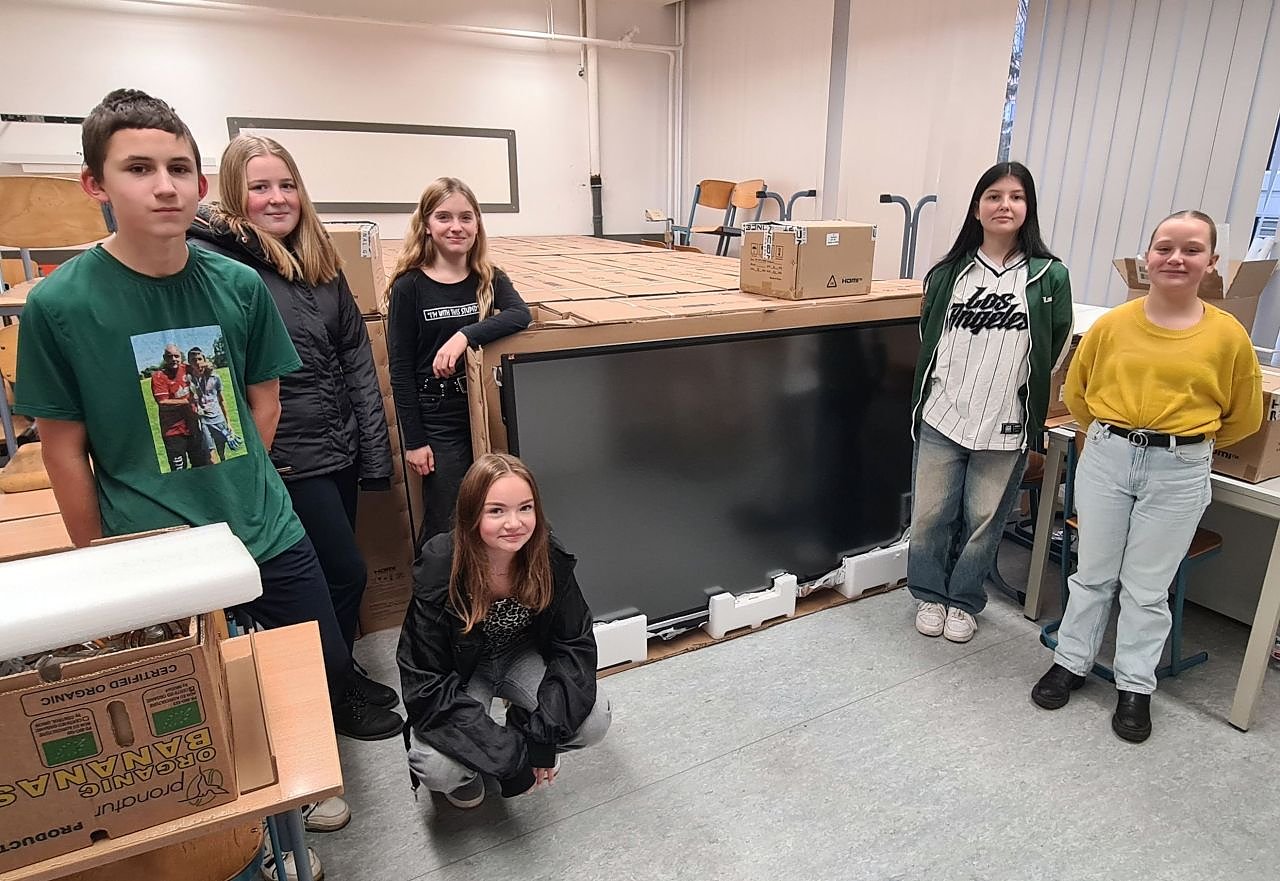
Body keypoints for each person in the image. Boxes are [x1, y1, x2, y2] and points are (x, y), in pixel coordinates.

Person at [12, 89, 394, 881]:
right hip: (153, 548)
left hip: (266, 527)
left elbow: (264, 400)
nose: (165, 186)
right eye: (139, 169)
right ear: (95, 183)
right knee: (195, 706)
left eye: (179, 168)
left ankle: (292, 794)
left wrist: (240, 482)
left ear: (199, 181)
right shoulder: (59, 304)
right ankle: (240, 834)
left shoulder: (238, 285)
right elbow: (63, 448)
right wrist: (101, 556)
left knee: (316, 663)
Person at [189, 134, 402, 724]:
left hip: (336, 447)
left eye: (287, 185)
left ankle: (338, 673)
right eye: (260, 187)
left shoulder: (318, 262)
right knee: (336, 574)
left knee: (337, 575)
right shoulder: (218, 267)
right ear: (235, 195)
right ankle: (331, 691)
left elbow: (356, 358)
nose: (277, 198)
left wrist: (372, 450)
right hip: (282, 453)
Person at [1032, 210, 1262, 743]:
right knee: (1093, 571)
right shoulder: (1114, 325)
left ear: (1212, 262)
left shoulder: (1228, 336)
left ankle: (1135, 684)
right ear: (1146, 258)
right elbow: (1077, 394)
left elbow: (1244, 417)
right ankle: (1071, 661)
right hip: (1108, 456)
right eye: (1165, 247)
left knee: (1147, 587)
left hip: (1179, 468)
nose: (1176, 258)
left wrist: (1183, 445)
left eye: (1191, 249)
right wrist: (1116, 438)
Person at [908, 161, 1074, 643]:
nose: (1005, 205)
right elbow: (929, 338)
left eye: (1016, 197)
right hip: (943, 415)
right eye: (994, 196)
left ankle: (963, 600)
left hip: (1006, 423)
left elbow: (1055, 347)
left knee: (984, 521)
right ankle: (928, 593)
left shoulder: (1049, 276)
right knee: (930, 516)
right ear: (977, 208)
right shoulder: (948, 273)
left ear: (1029, 208)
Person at [398, 453, 611, 809]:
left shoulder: (547, 556)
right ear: (471, 515)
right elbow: (426, 684)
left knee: (595, 720)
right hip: (460, 670)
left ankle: (522, 723)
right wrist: (510, 759)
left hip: (519, 655)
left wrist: (542, 735)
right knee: (438, 768)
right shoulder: (440, 566)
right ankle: (469, 772)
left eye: (525, 508)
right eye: (496, 511)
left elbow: (574, 645)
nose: (514, 523)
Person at [386, 178, 531, 548]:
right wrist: (415, 441)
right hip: (438, 418)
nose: (456, 227)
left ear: (477, 224)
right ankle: (436, 583)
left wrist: (466, 335)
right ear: (426, 225)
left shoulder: (489, 278)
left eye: (466, 217)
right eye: (444, 217)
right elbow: (400, 370)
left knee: (496, 507)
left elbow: (520, 314)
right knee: (447, 520)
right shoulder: (409, 286)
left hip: (484, 408)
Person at [152, 342, 207, 470]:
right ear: (164, 358)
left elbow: (204, 369)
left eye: (176, 356)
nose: (173, 359)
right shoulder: (159, 376)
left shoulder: (187, 368)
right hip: (173, 432)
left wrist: (207, 365)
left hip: (192, 427)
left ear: (181, 356)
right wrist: (188, 401)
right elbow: (162, 402)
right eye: (169, 356)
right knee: (179, 469)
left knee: (201, 465)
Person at [187, 347, 236, 463]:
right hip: (204, 421)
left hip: (218, 419)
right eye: (194, 360)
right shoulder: (189, 380)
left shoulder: (215, 377)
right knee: (210, 455)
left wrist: (228, 422)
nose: (197, 362)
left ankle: (223, 464)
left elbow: (222, 400)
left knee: (222, 452)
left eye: (200, 359)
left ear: (204, 360)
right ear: (189, 362)